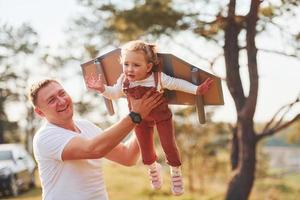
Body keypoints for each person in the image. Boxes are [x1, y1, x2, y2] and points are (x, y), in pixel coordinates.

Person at [86, 40, 214, 196]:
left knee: (168, 145)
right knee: (145, 149)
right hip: (140, 119)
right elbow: (114, 93)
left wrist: (196, 90)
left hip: (162, 118)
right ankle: (153, 168)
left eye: (136, 65)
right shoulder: (124, 81)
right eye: (126, 64)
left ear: (149, 66)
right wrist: (102, 89)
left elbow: (177, 83)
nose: (130, 69)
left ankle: (175, 171)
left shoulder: (158, 78)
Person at [28, 78, 163, 200]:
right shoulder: (45, 137)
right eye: (51, 100)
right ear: (40, 112)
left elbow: (127, 156)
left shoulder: (86, 126)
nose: (61, 101)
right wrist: (135, 115)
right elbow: (93, 149)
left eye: (62, 93)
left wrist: (146, 119)